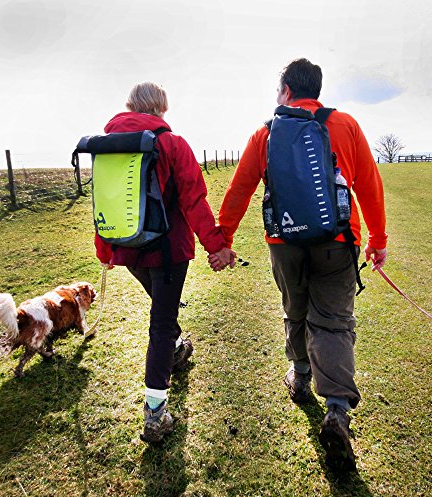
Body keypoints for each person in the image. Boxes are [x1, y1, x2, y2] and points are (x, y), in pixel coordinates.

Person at [209, 58, 388, 470]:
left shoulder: (265, 133)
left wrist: (223, 241)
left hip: (284, 243)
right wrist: (377, 240)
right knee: (334, 321)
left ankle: (301, 376)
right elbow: (369, 185)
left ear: (287, 91)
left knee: (296, 309)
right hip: (337, 243)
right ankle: (337, 408)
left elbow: (239, 189)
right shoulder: (346, 125)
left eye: (278, 90)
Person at [94, 81, 236, 442]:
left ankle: (175, 349)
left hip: (128, 250)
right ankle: (155, 415)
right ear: (161, 108)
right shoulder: (172, 143)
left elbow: (102, 200)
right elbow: (193, 201)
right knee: (161, 321)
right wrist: (217, 246)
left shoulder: (108, 147)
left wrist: (105, 251)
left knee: (163, 310)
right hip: (168, 252)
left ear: (130, 107)